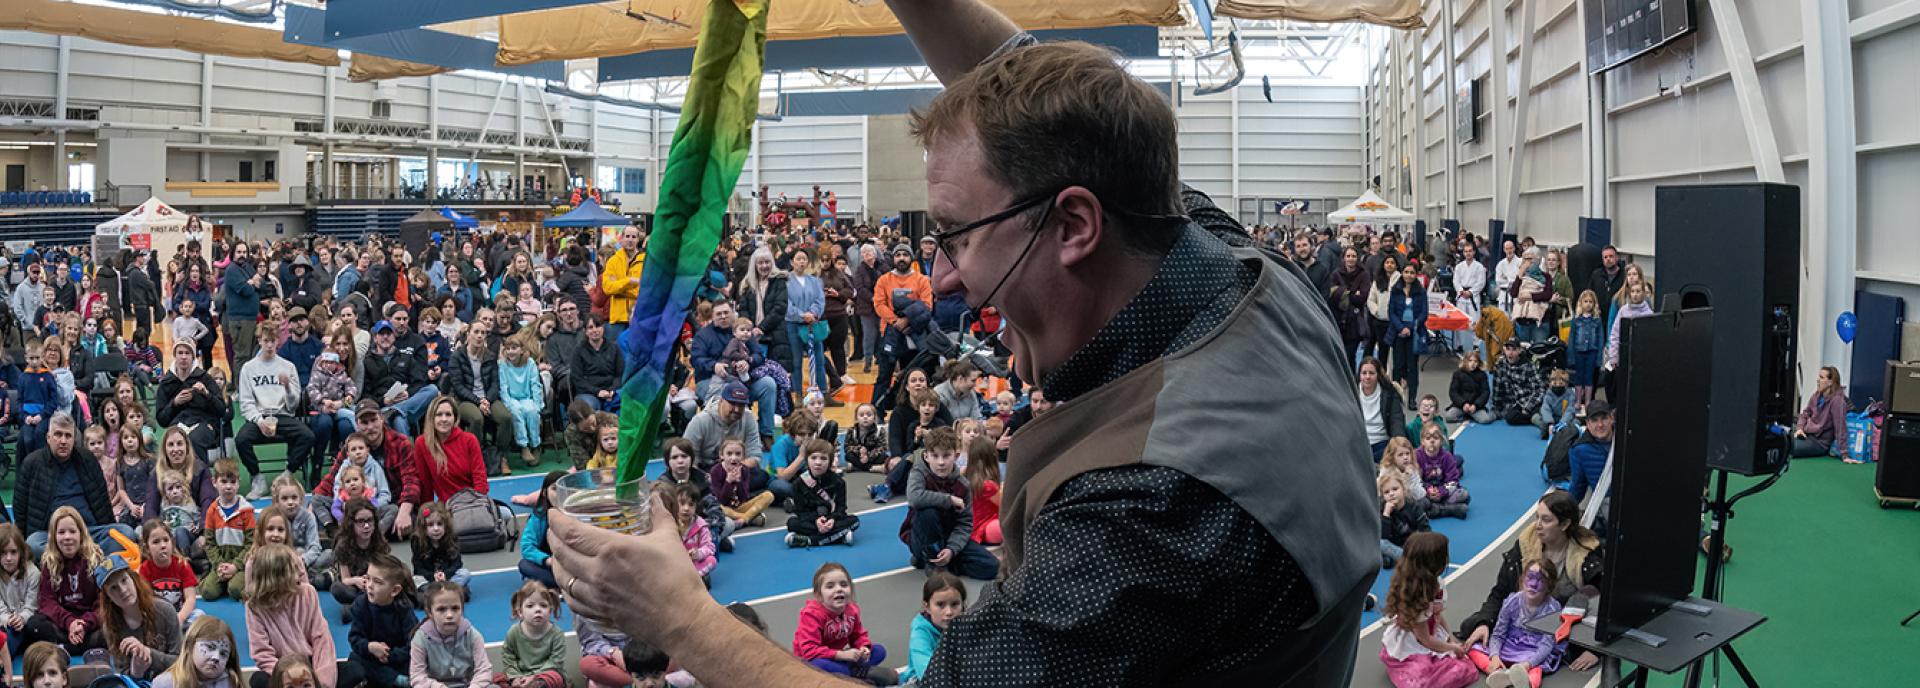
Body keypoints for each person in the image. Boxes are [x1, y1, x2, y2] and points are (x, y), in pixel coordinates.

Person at [547, 14, 1377, 686]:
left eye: (953, 235)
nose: (938, 277)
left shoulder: (1147, 506)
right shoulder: (1247, 277)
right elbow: (1046, 92)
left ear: (1075, 226)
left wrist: (684, 620)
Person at [1460, 491, 1603, 673]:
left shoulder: (1587, 557)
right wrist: (1484, 622)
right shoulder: (1525, 546)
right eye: (1537, 517)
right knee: (1472, 632)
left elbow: (1602, 605)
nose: (1537, 526)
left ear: (1565, 524)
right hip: (1520, 629)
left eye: (1546, 520)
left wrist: (1595, 649)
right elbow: (1500, 592)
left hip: (1561, 634)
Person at [17, 415, 137, 556]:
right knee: (33, 543)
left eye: (68, 436)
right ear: (48, 437)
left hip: (89, 532)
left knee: (126, 533)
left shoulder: (88, 459)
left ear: (74, 439)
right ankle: (88, 557)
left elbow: (102, 503)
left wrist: (109, 527)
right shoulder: (32, 463)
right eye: (58, 434)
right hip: (54, 538)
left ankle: (75, 558)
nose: (63, 441)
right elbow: (20, 509)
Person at [1380, 532, 1477, 688]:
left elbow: (1437, 615)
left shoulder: (1436, 583)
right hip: (1413, 642)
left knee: (1462, 665)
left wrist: (1451, 638)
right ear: (1436, 564)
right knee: (1426, 676)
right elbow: (1425, 639)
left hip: (1430, 634)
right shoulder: (1417, 598)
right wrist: (1452, 647)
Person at [902, 428, 999, 580]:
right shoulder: (919, 473)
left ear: (956, 455)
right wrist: (949, 500)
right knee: (927, 511)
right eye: (935, 456)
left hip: (949, 536)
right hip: (923, 537)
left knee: (992, 567)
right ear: (926, 456)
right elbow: (914, 497)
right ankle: (932, 560)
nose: (941, 462)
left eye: (946, 456)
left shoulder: (963, 485)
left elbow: (965, 523)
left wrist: (951, 550)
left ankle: (944, 562)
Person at [234, 324, 314, 499]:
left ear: (278, 341)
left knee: (307, 436)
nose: (269, 345)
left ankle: (287, 473)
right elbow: (246, 402)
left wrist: (287, 387)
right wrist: (259, 420)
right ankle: (257, 477)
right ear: (259, 342)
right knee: (241, 440)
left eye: (272, 341)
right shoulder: (248, 368)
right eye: (265, 341)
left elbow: (293, 405)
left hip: (283, 415)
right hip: (260, 416)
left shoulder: (288, 366)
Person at [243, 544, 335, 688]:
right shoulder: (254, 607)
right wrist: (288, 677)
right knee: (258, 680)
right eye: (293, 568)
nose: (300, 572)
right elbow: (262, 653)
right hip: (280, 669)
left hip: (310, 664)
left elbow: (321, 639)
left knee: (354, 671)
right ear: (277, 576)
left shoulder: (308, 592)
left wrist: (321, 681)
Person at [1466, 559, 1567, 688]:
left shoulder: (1552, 609)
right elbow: (1498, 634)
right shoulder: (1512, 601)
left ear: (1550, 585)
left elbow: (1546, 645)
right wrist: (1495, 656)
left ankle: (1527, 683)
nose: (1533, 584)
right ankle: (1496, 672)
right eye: (1530, 577)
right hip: (1511, 644)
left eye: (1540, 580)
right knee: (1474, 650)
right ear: (1522, 579)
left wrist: (1528, 664)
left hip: (1533, 650)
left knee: (1536, 669)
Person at [24, 506, 108, 655]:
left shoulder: (96, 559)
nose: (67, 537)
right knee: (34, 625)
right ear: (53, 536)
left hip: (89, 624)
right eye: (61, 532)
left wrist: (84, 624)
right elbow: (47, 602)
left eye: (72, 531)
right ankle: (77, 647)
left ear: (81, 533)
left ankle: (64, 649)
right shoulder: (49, 562)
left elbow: (103, 602)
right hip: (62, 624)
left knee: (110, 625)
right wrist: (69, 623)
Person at [792, 563, 895, 685]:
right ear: (819, 595)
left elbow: (857, 635)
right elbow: (809, 651)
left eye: (844, 585)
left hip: (838, 656)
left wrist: (864, 648)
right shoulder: (811, 615)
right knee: (819, 665)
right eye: (830, 586)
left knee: (879, 651)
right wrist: (841, 654)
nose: (839, 589)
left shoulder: (851, 610)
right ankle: (855, 673)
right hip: (812, 660)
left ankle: (852, 672)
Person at [98, 552, 183, 680]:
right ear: (108, 597)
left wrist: (148, 653)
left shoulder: (165, 610)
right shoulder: (111, 626)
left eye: (124, 580)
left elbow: (181, 662)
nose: (123, 590)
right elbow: (123, 675)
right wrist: (135, 671)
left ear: (134, 579)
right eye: (114, 588)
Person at [869, 243, 933, 410]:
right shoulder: (884, 280)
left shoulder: (922, 280)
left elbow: (927, 305)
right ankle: (877, 412)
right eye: (898, 255)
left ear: (911, 258)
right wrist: (896, 321)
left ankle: (910, 410)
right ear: (893, 258)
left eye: (905, 254)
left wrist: (907, 319)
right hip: (890, 333)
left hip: (915, 335)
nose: (902, 258)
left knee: (912, 376)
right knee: (884, 376)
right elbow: (879, 304)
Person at [346, 554, 418, 688]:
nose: (370, 586)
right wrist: (370, 647)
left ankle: (390, 679)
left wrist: (389, 655)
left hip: (397, 658)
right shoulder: (360, 605)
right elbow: (355, 639)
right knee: (355, 660)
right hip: (372, 658)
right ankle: (397, 681)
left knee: (421, 658)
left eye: (377, 582)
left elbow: (413, 643)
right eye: (368, 579)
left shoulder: (404, 607)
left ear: (395, 590)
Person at [409, 581, 492, 688]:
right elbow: (417, 676)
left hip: (469, 684)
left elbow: (484, 669)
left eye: (455, 608)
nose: (449, 615)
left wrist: (475, 686)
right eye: (441, 609)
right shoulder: (420, 638)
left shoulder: (472, 635)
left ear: (462, 610)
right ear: (429, 612)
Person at [157, 340, 229, 461]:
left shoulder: (205, 378)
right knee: (175, 443)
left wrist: (207, 394)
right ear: (175, 356)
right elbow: (162, 420)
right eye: (180, 353)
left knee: (194, 440)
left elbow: (221, 410)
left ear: (193, 356)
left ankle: (199, 478)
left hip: (204, 423)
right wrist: (174, 403)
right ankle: (176, 478)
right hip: (177, 423)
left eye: (187, 353)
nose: (184, 357)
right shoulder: (166, 382)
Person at [364, 321, 439, 436]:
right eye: (381, 334)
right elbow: (366, 394)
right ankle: (406, 453)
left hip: (408, 403)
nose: (385, 337)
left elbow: (419, 382)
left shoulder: (406, 358)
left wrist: (408, 393)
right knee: (399, 419)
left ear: (394, 337)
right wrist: (383, 401)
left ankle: (397, 410)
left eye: (388, 334)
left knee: (432, 389)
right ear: (375, 338)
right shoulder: (367, 362)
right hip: (383, 408)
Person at [196, 458, 254, 602]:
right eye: (223, 481)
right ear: (214, 482)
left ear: (239, 483)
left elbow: (251, 544)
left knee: (235, 590)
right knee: (207, 593)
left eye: (233, 482)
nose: (228, 486)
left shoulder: (246, 511)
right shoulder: (212, 511)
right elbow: (209, 544)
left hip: (240, 565)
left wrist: (235, 566)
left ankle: (242, 580)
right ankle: (222, 580)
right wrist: (219, 565)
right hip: (220, 564)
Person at [783, 439, 857, 548]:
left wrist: (832, 519)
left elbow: (841, 508)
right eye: (813, 458)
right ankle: (839, 537)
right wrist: (816, 520)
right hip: (812, 521)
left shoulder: (838, 482)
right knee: (792, 523)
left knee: (854, 521)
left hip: (831, 519)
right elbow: (800, 512)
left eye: (823, 458)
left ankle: (809, 540)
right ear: (807, 459)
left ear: (830, 461)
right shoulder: (798, 483)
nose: (818, 462)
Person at [496, 582, 567, 688]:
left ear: (550, 611)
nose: (538, 609)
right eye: (530, 606)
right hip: (521, 674)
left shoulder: (557, 635)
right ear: (520, 612)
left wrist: (535, 677)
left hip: (545, 675)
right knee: (497, 679)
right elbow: (508, 657)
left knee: (553, 678)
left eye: (543, 605)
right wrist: (515, 677)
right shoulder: (514, 632)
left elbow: (555, 662)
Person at [900, 572, 965, 685]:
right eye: (940, 605)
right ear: (927, 607)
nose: (949, 612)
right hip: (921, 681)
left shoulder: (968, 625)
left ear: (962, 605)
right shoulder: (920, 633)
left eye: (955, 604)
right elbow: (928, 675)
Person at [150, 616, 243, 688]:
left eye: (223, 653)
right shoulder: (165, 684)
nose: (216, 657)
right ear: (190, 645)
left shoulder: (231, 682)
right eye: (210, 647)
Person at [1386, 261, 1427, 406]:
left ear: (1416, 275)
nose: (1409, 275)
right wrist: (1401, 328)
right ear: (1402, 273)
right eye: (1406, 272)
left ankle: (1412, 399)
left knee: (1412, 367)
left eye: (1412, 273)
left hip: (1414, 334)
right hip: (1398, 333)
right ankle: (1396, 396)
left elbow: (1424, 313)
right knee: (1398, 366)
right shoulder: (1395, 290)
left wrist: (1412, 327)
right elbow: (1391, 312)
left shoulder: (1421, 292)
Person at [1792, 366, 1853, 461]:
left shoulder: (1837, 401)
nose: (1818, 380)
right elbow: (1805, 413)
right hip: (1806, 434)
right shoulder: (1816, 395)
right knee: (1781, 439)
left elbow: (1840, 427)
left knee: (1787, 448)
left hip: (1819, 443)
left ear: (1830, 382)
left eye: (1821, 377)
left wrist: (1844, 454)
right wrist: (1800, 428)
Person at [517, 472, 566, 589]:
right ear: (545, 492)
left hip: (574, 565)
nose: (559, 493)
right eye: (554, 488)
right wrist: (547, 561)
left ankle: (565, 584)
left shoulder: (578, 515)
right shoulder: (538, 517)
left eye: (563, 488)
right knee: (524, 565)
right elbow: (527, 546)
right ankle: (564, 584)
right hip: (551, 565)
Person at [220, 242, 263, 373]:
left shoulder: (247, 267)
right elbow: (246, 290)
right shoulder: (232, 270)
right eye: (239, 252)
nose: (242, 255)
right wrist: (251, 283)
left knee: (250, 356)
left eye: (244, 252)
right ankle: (238, 388)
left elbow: (263, 285)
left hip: (250, 318)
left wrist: (253, 282)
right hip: (240, 320)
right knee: (242, 356)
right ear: (233, 253)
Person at [0, 523, 41, 656]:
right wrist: (7, 619)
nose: (8, 558)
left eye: (13, 552)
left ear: (21, 552)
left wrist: (21, 618)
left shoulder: (33, 573)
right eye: (3, 553)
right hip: (4, 622)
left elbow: (32, 606)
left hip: (25, 623)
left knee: (17, 634)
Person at [409, 504, 469, 592]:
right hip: (429, 578)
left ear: (446, 525)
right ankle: (449, 591)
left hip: (447, 577)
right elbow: (418, 568)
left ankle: (439, 591)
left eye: (440, 524)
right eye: (430, 525)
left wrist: (445, 575)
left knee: (465, 573)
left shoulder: (452, 538)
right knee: (414, 580)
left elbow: (457, 563)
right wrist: (433, 576)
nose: (436, 529)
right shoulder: (417, 541)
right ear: (423, 527)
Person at [601, 226, 645, 342]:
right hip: (617, 319)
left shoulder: (645, 261)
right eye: (627, 236)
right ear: (621, 238)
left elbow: (643, 291)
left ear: (638, 240)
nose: (630, 240)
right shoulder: (613, 261)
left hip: (638, 317)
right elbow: (607, 288)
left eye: (633, 237)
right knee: (615, 355)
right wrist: (629, 281)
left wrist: (619, 290)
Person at [1358, 357, 1408, 460]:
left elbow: (1396, 419)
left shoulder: (1389, 392)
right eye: (1364, 373)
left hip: (1382, 443)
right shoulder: (1352, 392)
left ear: (1378, 375)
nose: (1367, 377)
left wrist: (1399, 441)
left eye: (1371, 373)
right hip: (1359, 443)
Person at [1378, 472, 1429, 568]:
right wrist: (1386, 515)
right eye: (1387, 492)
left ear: (1403, 489)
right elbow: (1384, 537)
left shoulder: (1414, 506)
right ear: (1383, 496)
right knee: (1381, 546)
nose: (1391, 494)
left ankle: (1409, 559)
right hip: (1396, 547)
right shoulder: (1383, 510)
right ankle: (1408, 559)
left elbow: (1425, 530)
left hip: (1413, 543)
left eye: (1395, 489)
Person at [1567, 401, 1614, 503]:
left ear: (1612, 418)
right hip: (1606, 503)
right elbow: (1577, 487)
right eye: (1594, 420)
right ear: (1588, 423)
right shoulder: (1578, 450)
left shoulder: (1627, 439)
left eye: (1604, 418)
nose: (1600, 425)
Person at [1491, 341, 1543, 426]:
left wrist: (1527, 407)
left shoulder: (1529, 365)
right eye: (1508, 349)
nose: (1510, 353)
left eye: (1514, 350)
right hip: (1514, 404)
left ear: (1519, 351)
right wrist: (1496, 407)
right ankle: (1534, 418)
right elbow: (1497, 387)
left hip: (1529, 399)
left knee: (1540, 407)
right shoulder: (1500, 364)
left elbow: (1539, 390)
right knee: (1510, 417)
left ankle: (1539, 418)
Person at [1567, 291, 1604, 408]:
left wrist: (1599, 358)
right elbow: (1571, 338)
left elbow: (1600, 339)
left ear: (1594, 304)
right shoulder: (1576, 320)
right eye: (1586, 301)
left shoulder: (1597, 320)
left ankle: (1588, 401)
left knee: (1589, 377)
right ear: (1581, 303)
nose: (1588, 304)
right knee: (1579, 377)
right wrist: (1571, 357)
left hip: (1592, 352)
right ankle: (1578, 400)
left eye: (1590, 302)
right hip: (1579, 351)